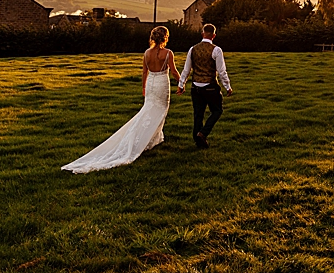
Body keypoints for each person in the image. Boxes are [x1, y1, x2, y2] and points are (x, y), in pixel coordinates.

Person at [62, 26, 180, 173]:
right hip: (162, 83)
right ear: (165, 37)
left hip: (151, 84)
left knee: (149, 110)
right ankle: (149, 139)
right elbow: (173, 71)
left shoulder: (146, 53)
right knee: (161, 110)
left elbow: (145, 72)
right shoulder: (168, 53)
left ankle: (154, 137)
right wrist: (181, 83)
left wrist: (144, 87)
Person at [177, 23, 233, 149]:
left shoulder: (193, 49)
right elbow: (221, 71)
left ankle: (198, 141)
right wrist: (227, 86)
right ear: (214, 35)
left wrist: (181, 84)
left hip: (195, 87)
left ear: (202, 34)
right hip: (210, 86)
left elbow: (186, 69)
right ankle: (203, 133)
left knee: (198, 114)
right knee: (217, 110)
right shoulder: (216, 50)